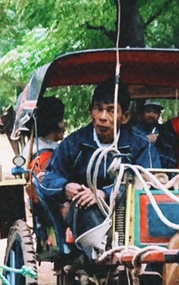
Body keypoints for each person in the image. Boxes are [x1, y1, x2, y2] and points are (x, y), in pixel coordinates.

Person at [33, 79, 158, 254]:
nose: (102, 117)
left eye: (111, 110)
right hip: (82, 216)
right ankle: (97, 258)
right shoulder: (74, 143)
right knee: (86, 206)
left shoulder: (141, 145)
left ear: (126, 116)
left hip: (130, 218)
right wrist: (65, 187)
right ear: (90, 110)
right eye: (98, 108)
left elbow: (148, 181)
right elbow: (47, 179)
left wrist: (104, 193)